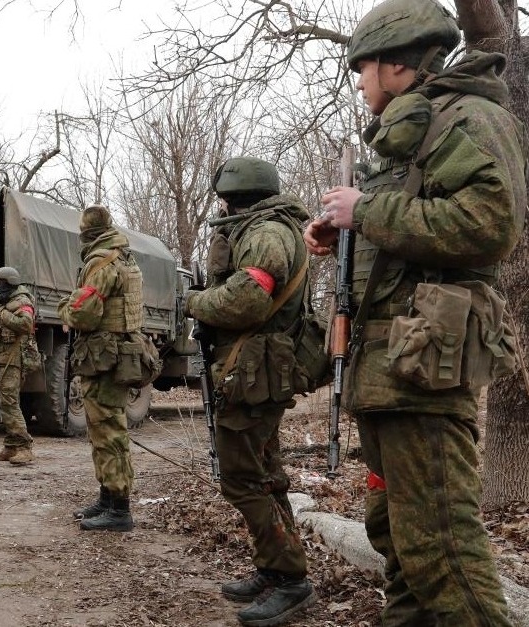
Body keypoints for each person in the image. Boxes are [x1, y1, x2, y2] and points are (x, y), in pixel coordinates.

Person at [304, 0, 527, 624]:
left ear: (396, 63)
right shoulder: (411, 136)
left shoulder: (471, 118)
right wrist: (338, 231)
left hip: (422, 373)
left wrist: (366, 213)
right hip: (390, 372)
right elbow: (409, 235)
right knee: (398, 539)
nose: (359, 82)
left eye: (363, 68)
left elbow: (491, 224)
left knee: (441, 549)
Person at [183, 158, 315, 626]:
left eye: (224, 196)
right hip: (252, 372)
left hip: (254, 375)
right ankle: (276, 568)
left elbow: (246, 299)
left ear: (236, 197)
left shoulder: (265, 234)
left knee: (242, 478)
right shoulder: (267, 229)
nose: (220, 204)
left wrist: (195, 302)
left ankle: (290, 578)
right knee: (265, 475)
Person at [58, 204, 141, 532]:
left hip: (104, 358)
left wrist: (65, 307)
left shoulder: (101, 261)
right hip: (115, 354)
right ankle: (108, 498)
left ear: (86, 234)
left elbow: (83, 313)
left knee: (108, 431)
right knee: (105, 428)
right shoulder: (123, 257)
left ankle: (119, 509)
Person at [0, 266, 38, 465]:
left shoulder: (22, 301)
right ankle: (11, 445)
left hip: (15, 358)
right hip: (3, 356)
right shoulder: (5, 302)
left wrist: (0, 314)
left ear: (10, 283)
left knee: (9, 401)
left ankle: (25, 447)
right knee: (3, 401)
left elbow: (26, 324)